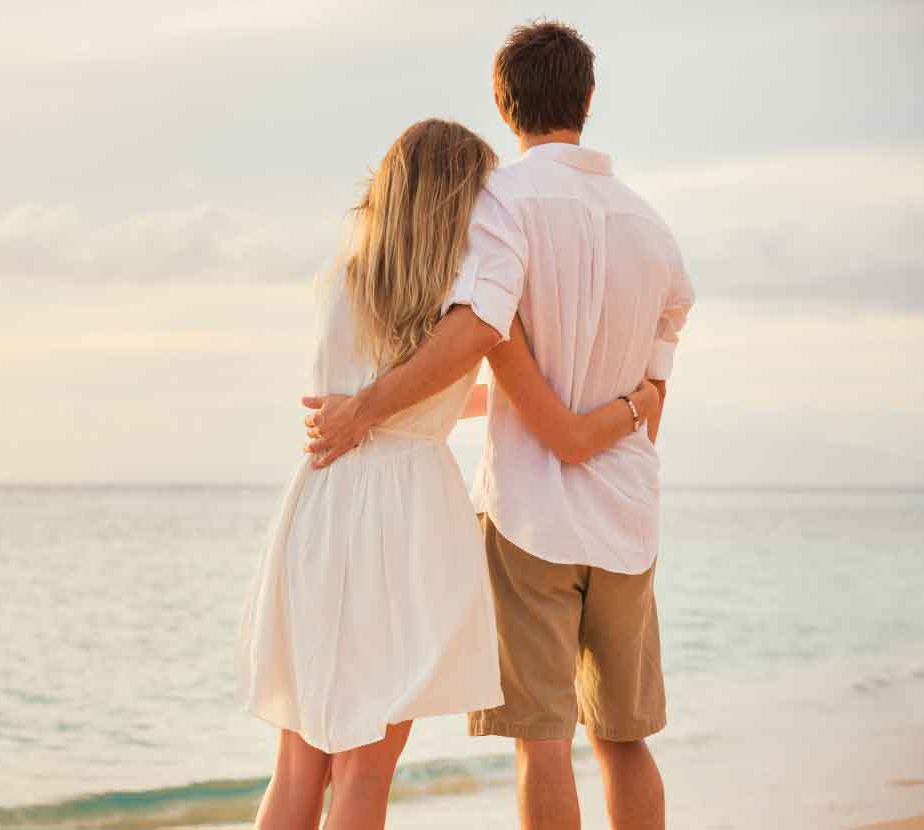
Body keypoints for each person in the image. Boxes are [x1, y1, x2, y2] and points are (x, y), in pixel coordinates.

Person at [303, 22, 695, 830]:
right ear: (586, 99)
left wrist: (364, 409)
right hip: (627, 514)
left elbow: (479, 326)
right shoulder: (654, 230)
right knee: (623, 738)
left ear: (501, 102)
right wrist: (602, 426)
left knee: (540, 741)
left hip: (528, 514)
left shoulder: (500, 203)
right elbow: (655, 393)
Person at [236, 117, 660, 830]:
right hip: (402, 514)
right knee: (366, 768)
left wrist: (374, 409)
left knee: (299, 759)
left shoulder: (342, 277)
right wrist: (621, 403)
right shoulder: (458, 298)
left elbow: (407, 399)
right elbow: (444, 375)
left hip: (323, 498)